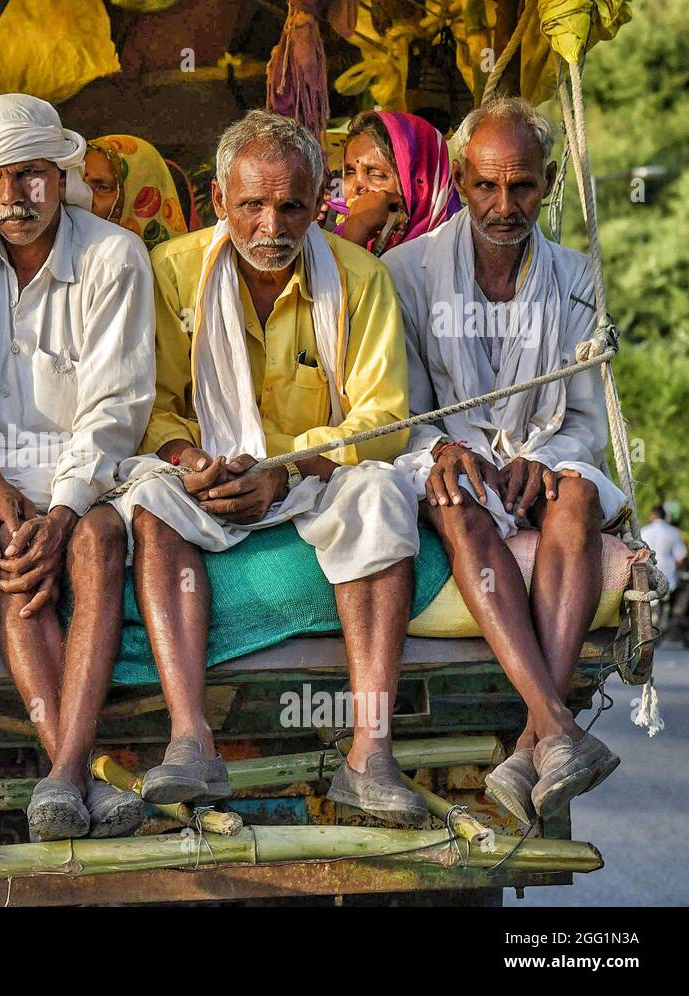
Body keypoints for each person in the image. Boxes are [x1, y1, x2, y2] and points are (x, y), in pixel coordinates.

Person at [112, 109, 426, 826]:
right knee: (149, 503)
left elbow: (384, 420)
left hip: (313, 474)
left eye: (290, 206)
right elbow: (150, 409)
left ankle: (369, 755)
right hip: (210, 476)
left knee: (379, 492)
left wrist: (286, 469)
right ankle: (192, 738)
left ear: (321, 203)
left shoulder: (360, 278)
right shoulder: (172, 272)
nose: (271, 226)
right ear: (220, 202)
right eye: (251, 205)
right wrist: (192, 461)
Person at [387, 96, 623, 825]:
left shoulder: (580, 278)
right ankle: (556, 728)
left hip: (540, 465)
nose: (503, 204)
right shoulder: (407, 270)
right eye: (486, 185)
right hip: (451, 467)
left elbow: (587, 419)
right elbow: (404, 415)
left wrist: (544, 460)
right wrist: (445, 450)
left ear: (549, 182)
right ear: (459, 179)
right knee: (454, 500)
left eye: (522, 186)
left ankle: (533, 741)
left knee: (579, 497)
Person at [0, 94, 152, 840]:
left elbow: (117, 406)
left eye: (30, 176)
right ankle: (77, 771)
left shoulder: (113, 255)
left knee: (93, 542)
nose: (12, 197)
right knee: (9, 552)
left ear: (61, 176)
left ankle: (62, 771)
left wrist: (62, 508)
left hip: (90, 471)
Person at [335, 110, 461, 254]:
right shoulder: (328, 244)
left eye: (377, 174)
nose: (356, 186)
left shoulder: (449, 254)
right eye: (350, 172)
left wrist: (358, 227)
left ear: (419, 186)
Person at [82, 134, 189, 250]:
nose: (83, 197)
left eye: (102, 188)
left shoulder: (178, 264)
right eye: (79, 185)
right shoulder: (68, 255)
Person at [641, 505, 686, 638]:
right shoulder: (673, 532)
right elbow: (681, 558)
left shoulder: (644, 531)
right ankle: (675, 619)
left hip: (647, 577)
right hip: (668, 579)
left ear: (652, 515)